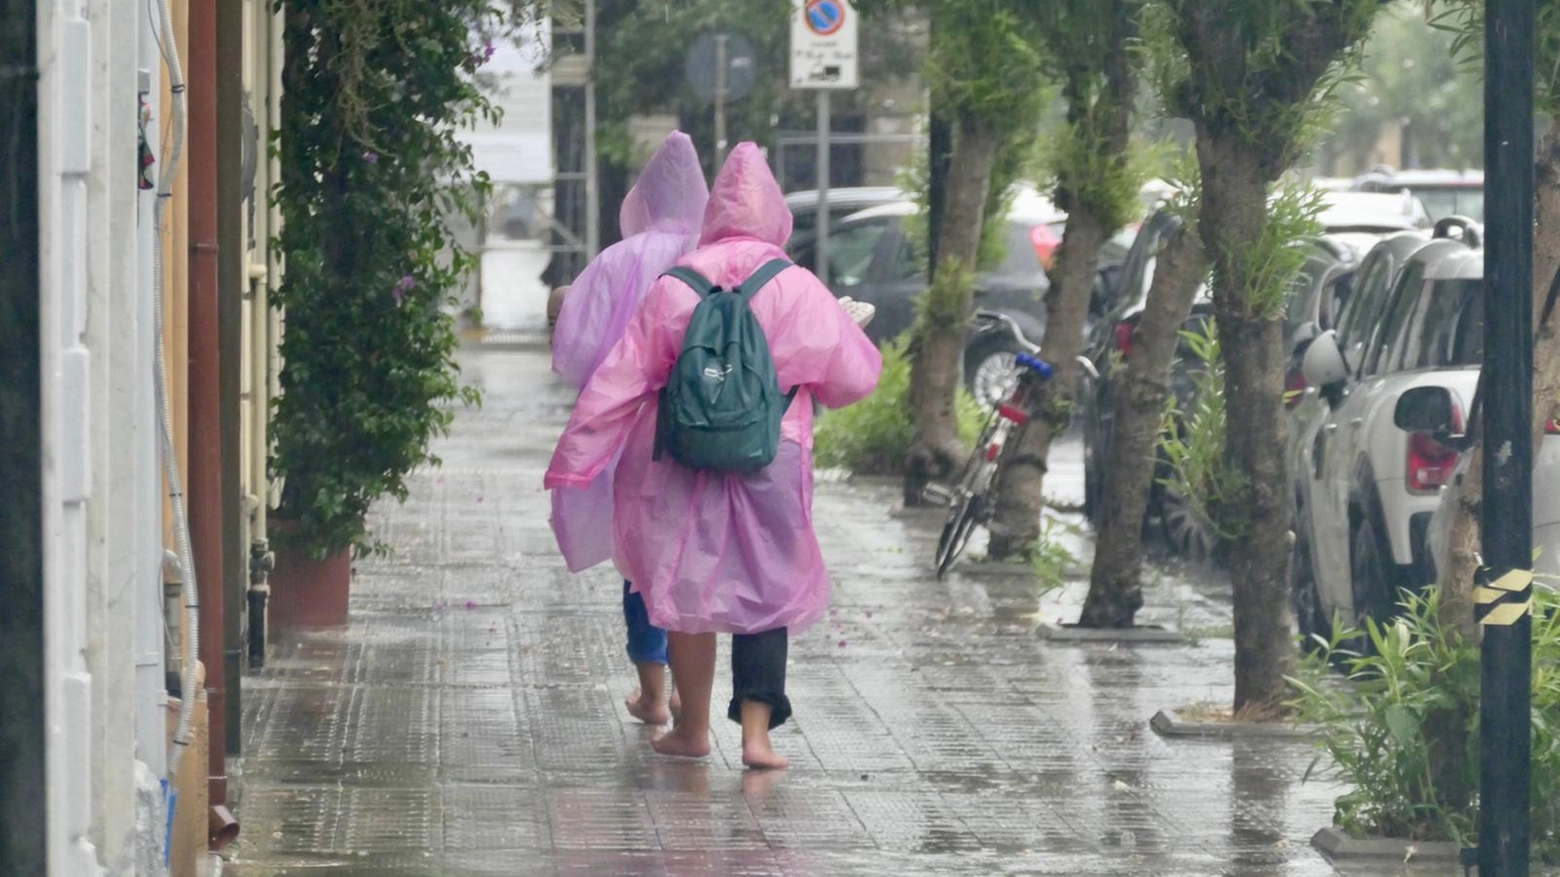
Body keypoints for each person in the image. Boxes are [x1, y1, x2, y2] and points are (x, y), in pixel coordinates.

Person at [544, 143, 882, 769]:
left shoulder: (677, 284)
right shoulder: (795, 286)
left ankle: (691, 728)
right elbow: (854, 378)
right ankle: (757, 738)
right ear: (776, 214)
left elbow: (621, 379)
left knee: (682, 584)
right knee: (766, 585)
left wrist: (576, 458)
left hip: (677, 454)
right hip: (772, 454)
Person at [548, 131, 709, 726]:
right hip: (703, 429)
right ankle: (693, 700)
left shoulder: (616, 261)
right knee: (687, 557)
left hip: (630, 428)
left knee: (638, 554)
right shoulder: (713, 253)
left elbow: (574, 351)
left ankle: (653, 691)